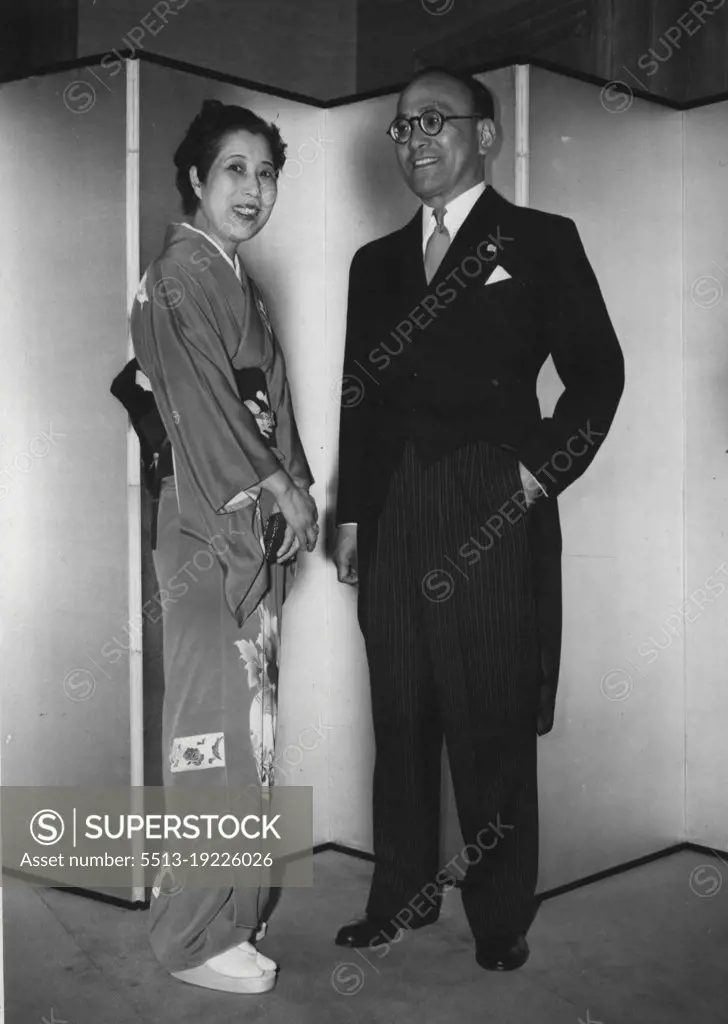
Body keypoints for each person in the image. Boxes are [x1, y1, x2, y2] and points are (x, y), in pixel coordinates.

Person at [333, 67, 624, 970]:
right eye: (402, 127)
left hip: (489, 504)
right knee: (402, 715)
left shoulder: (540, 241)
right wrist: (351, 518)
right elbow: (361, 398)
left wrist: (534, 479)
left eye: (435, 120)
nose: (415, 139)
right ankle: (402, 895)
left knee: (490, 717)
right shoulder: (374, 262)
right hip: (393, 509)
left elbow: (599, 376)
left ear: (485, 136)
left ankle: (500, 919)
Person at [127, 99, 318, 993]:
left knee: (250, 735)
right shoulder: (176, 276)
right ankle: (189, 936)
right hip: (210, 532)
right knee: (210, 734)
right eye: (234, 170)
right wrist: (280, 487)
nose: (253, 189)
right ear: (196, 182)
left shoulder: (237, 278)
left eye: (266, 172)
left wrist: (299, 485)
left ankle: (226, 914)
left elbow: (270, 400)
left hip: (248, 527)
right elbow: (199, 410)